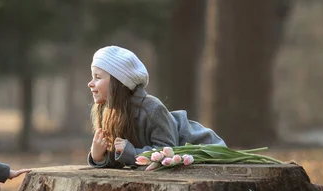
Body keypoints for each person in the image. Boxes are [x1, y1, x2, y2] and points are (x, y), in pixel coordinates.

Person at [87, 45, 226, 168]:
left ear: (119, 82)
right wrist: (99, 156)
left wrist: (131, 152)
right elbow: (122, 156)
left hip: (206, 149)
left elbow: (168, 151)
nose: (90, 83)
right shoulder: (108, 111)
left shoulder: (152, 109)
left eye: (97, 77)